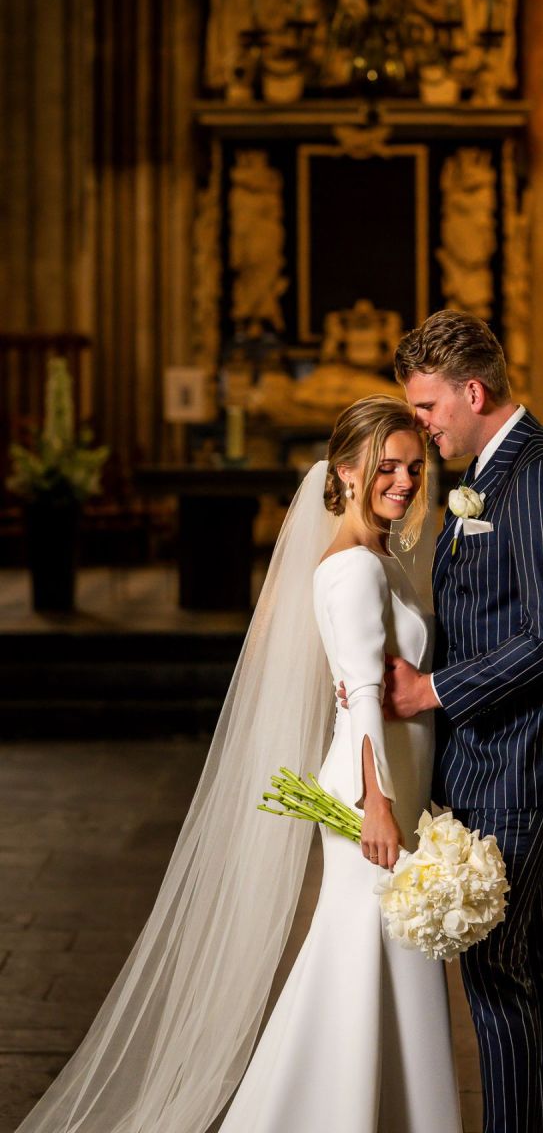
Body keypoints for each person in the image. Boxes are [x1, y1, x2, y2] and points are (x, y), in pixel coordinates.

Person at [16, 396, 462, 1133]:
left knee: (380, 964)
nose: (405, 482)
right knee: (363, 960)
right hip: (371, 796)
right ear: (346, 472)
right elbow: (360, 694)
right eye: (386, 468)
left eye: (415, 467)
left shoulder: (375, 553)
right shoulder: (352, 568)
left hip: (389, 786)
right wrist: (379, 803)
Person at [360, 310, 543, 1133]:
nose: (421, 427)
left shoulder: (539, 475)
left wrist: (430, 693)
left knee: (497, 970)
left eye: (428, 409)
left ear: (473, 391)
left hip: (521, 756)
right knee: (526, 961)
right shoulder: (491, 475)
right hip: (490, 755)